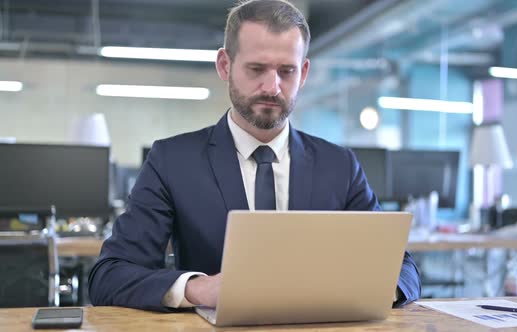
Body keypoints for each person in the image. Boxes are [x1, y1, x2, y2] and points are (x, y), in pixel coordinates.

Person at [88, 0, 420, 312]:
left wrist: (372, 287)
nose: (272, 87)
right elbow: (110, 275)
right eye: (257, 69)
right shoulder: (172, 161)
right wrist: (197, 289)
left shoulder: (340, 166)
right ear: (225, 65)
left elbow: (402, 269)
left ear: (303, 73)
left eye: (286, 72)